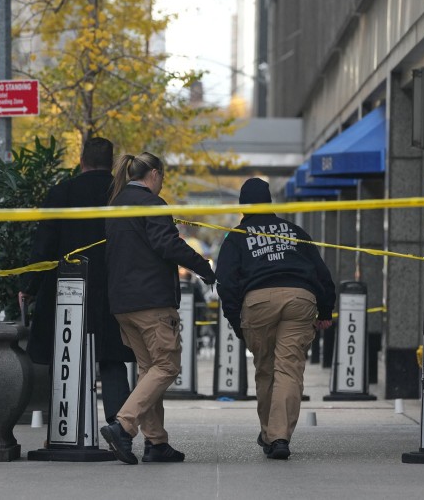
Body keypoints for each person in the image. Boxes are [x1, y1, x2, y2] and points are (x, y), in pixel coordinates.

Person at [99, 152, 216, 465]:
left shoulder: (117, 203)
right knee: (166, 366)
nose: (162, 184)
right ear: (153, 173)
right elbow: (167, 244)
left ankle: (157, 443)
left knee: (148, 370)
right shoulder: (152, 204)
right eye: (162, 177)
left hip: (122, 302)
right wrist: (202, 266)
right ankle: (124, 426)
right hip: (151, 301)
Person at [215, 177, 336, 460]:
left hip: (258, 302)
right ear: (270, 202)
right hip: (300, 298)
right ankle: (278, 436)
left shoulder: (236, 236)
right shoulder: (294, 231)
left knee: (266, 369)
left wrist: (236, 322)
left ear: (243, 206)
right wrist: (326, 311)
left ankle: (271, 432)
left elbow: (226, 283)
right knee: (289, 369)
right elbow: (322, 273)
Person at [20, 137, 135, 427]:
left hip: (67, 289)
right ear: (112, 163)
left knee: (66, 356)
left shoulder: (62, 192)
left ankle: (66, 424)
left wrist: (29, 286)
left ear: (81, 161)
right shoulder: (121, 194)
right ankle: (118, 427)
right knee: (112, 361)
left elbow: (44, 245)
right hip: (112, 290)